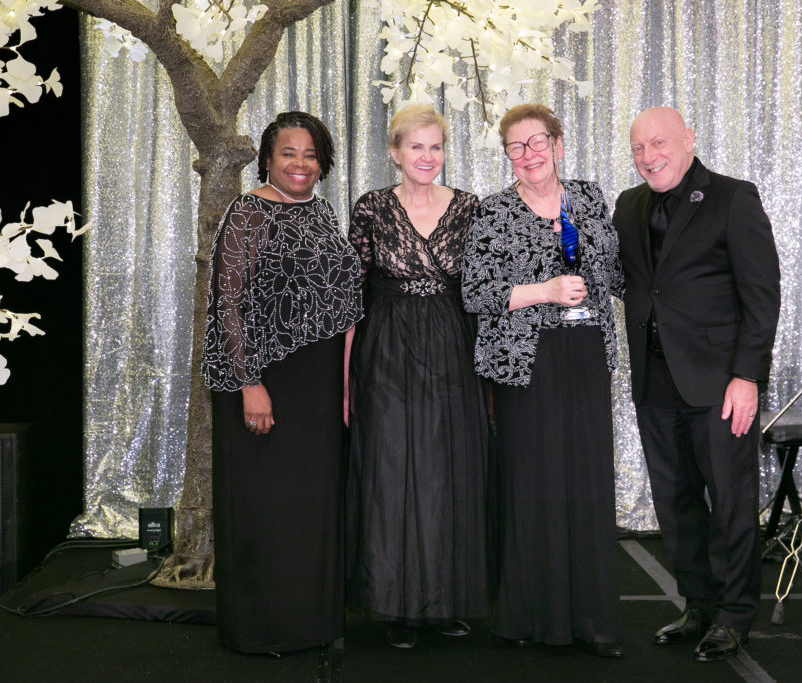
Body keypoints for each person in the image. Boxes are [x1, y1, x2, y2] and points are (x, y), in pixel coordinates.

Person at [612, 106, 781, 662]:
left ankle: (735, 615)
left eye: (658, 144)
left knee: (731, 502)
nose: (648, 157)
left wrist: (746, 376)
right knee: (676, 502)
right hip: (655, 381)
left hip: (719, 383)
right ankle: (698, 605)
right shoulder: (628, 205)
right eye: (638, 148)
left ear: (688, 139)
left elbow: (761, 298)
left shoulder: (734, 198)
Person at [462, 103, 625, 658]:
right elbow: (476, 294)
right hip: (526, 362)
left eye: (537, 142)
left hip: (585, 353)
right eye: (516, 146)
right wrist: (545, 291)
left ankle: (593, 619)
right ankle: (531, 616)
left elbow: (615, 274)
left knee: (587, 482)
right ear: (507, 156)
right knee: (533, 485)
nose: (529, 155)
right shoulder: (494, 212)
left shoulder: (591, 197)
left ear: (558, 143)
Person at [201, 111, 362, 654]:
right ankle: (260, 629)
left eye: (311, 154)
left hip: (317, 387)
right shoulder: (247, 212)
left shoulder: (322, 213)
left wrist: (342, 386)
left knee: (310, 504)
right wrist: (250, 382)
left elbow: (341, 307)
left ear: (323, 163)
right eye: (289, 153)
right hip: (264, 380)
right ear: (268, 158)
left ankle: (311, 624)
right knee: (264, 505)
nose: (300, 163)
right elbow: (230, 305)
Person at [346, 104, 490, 649]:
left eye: (436, 147)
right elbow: (349, 299)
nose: (427, 157)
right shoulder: (371, 209)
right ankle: (397, 604)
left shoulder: (472, 209)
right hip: (386, 352)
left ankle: (445, 600)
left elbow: (484, 291)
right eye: (416, 147)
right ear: (394, 152)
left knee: (447, 473)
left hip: (453, 348)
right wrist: (344, 381)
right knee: (391, 473)